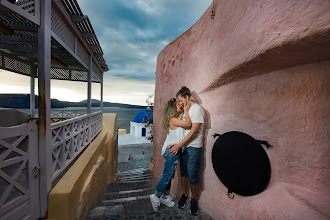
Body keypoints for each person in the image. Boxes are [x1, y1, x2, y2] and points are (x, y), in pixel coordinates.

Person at [149, 98, 192, 212]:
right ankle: (156, 196)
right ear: (173, 108)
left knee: (169, 175)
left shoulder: (176, 119)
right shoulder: (173, 120)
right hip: (171, 152)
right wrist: (187, 110)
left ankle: (165, 197)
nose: (181, 105)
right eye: (178, 104)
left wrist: (185, 106)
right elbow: (188, 124)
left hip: (173, 151)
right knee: (167, 176)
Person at [168, 86, 204, 216]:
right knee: (183, 174)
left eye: (180, 100)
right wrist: (177, 144)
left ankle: (193, 200)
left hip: (193, 147)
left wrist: (178, 146)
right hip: (183, 147)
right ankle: (184, 195)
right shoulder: (185, 111)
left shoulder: (197, 109)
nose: (179, 103)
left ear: (187, 98)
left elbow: (193, 132)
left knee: (193, 175)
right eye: (178, 101)